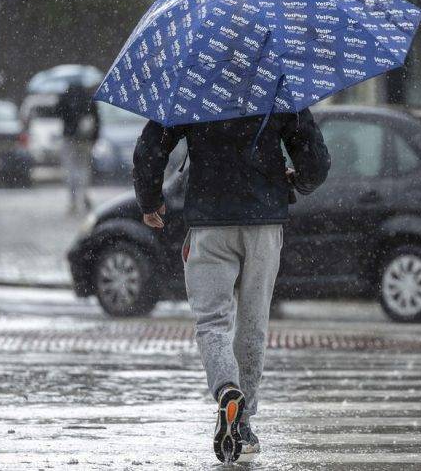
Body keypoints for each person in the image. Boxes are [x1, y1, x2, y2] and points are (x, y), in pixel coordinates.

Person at [132, 109, 330, 463]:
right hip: (264, 222)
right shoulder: (276, 80)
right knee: (253, 323)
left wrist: (150, 198)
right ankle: (243, 424)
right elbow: (316, 159)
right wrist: (297, 180)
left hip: (210, 222)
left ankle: (227, 389)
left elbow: (150, 147)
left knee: (212, 321)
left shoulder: (194, 83)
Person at [55, 85, 100, 213]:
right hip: (86, 140)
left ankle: (73, 199)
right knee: (84, 168)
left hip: (69, 139)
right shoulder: (88, 98)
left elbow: (57, 112)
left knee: (71, 169)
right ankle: (85, 194)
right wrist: (95, 137)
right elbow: (97, 119)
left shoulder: (65, 97)